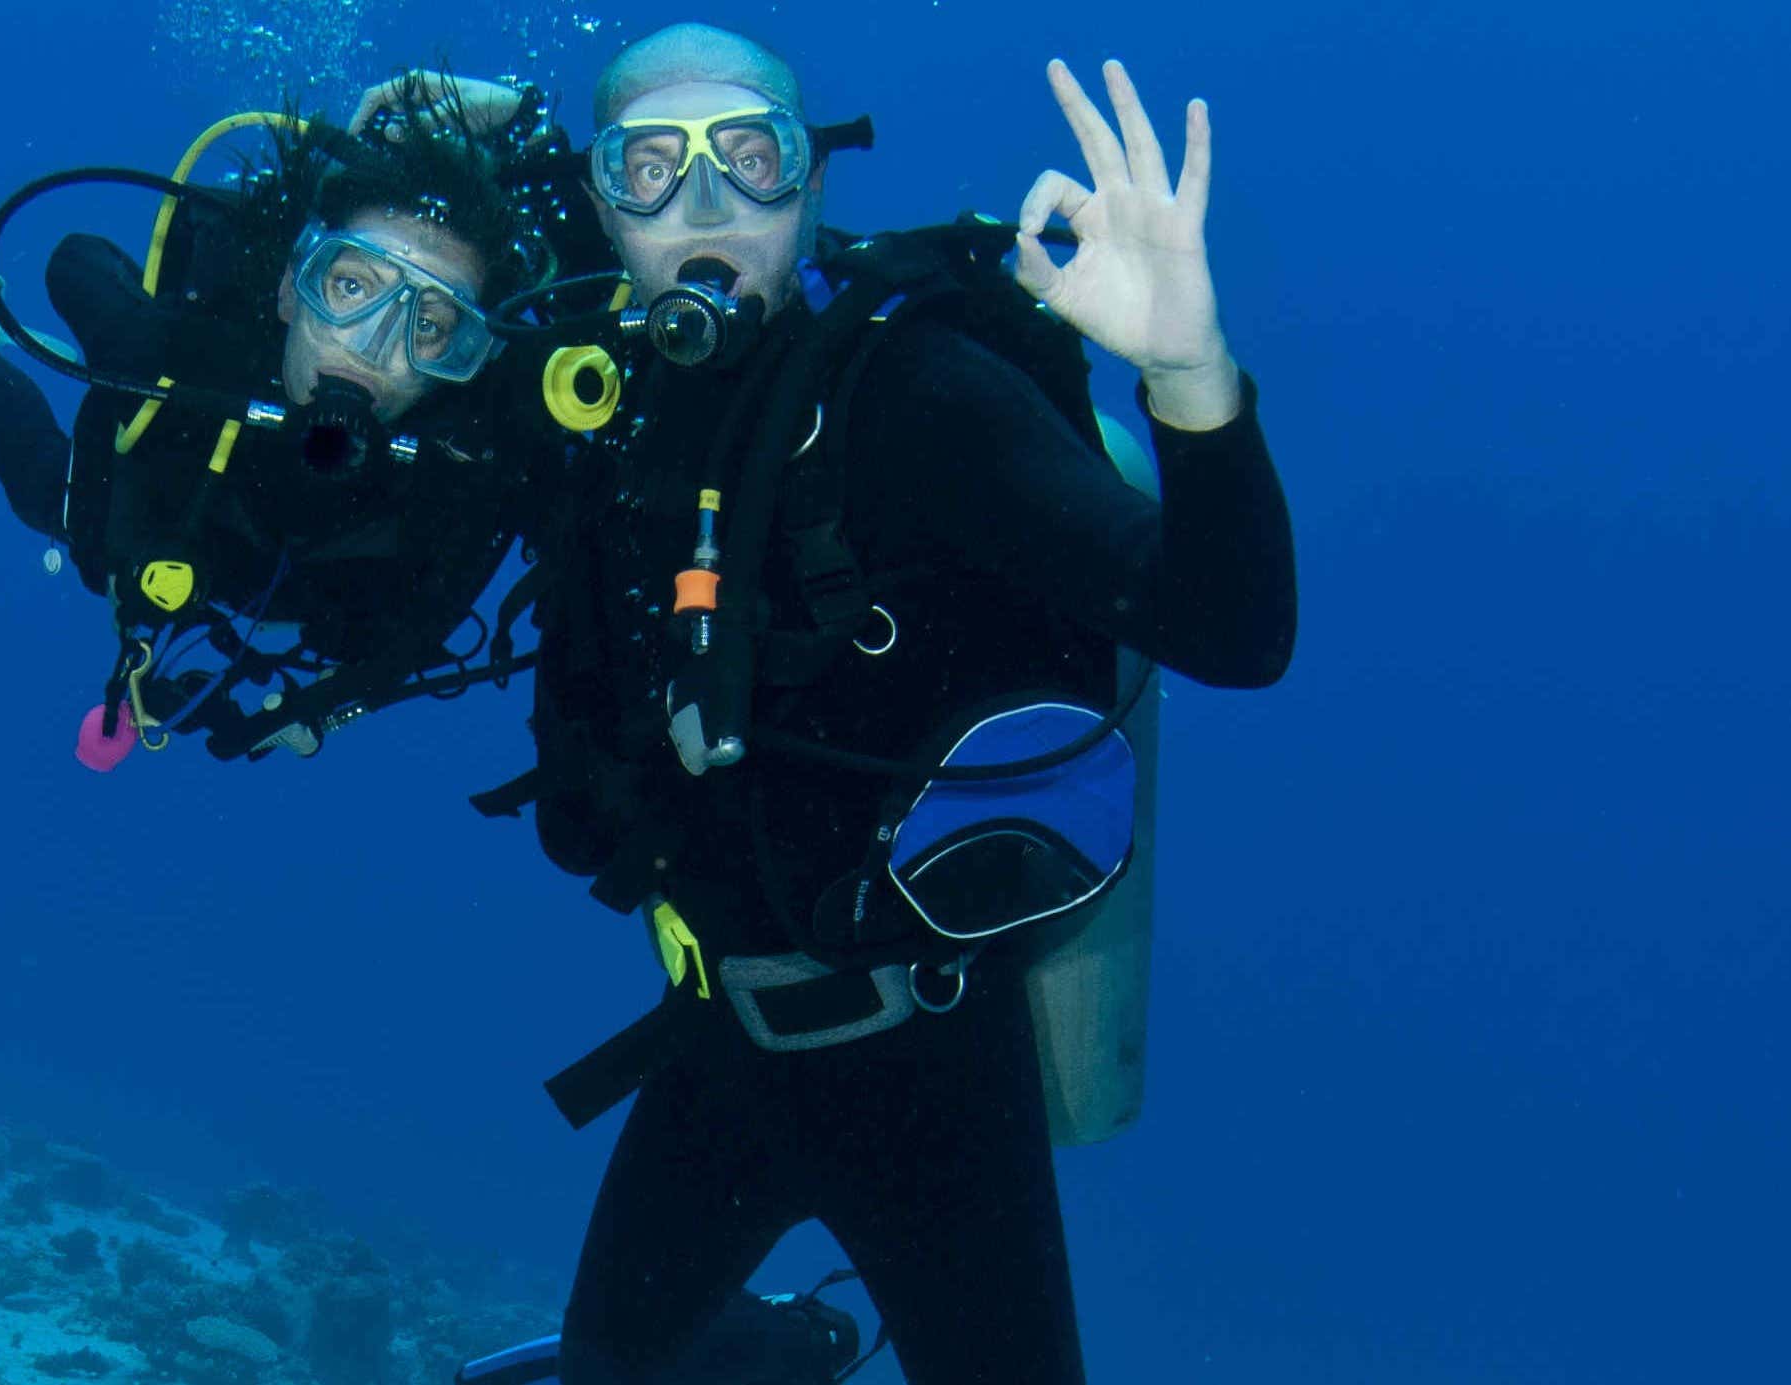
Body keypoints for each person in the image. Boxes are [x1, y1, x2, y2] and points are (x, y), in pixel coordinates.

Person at [375, 24, 1298, 1384]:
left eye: (746, 160)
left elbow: (1232, 631)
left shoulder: (916, 395)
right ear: (597, 204)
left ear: (808, 188)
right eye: (649, 167)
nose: (699, 206)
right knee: (604, 1373)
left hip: (931, 1065)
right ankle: (789, 1349)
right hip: (718, 1048)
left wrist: (1189, 376)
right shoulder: (586, 409)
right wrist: (478, 116)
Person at [0, 88, 591, 763]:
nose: (372, 345)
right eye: (350, 287)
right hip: (185, 474)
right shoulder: (179, 364)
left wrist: (539, 133)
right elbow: (73, 260)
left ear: (461, 359)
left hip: (291, 590)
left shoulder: (474, 465)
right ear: (291, 288)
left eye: (430, 324)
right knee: (49, 492)